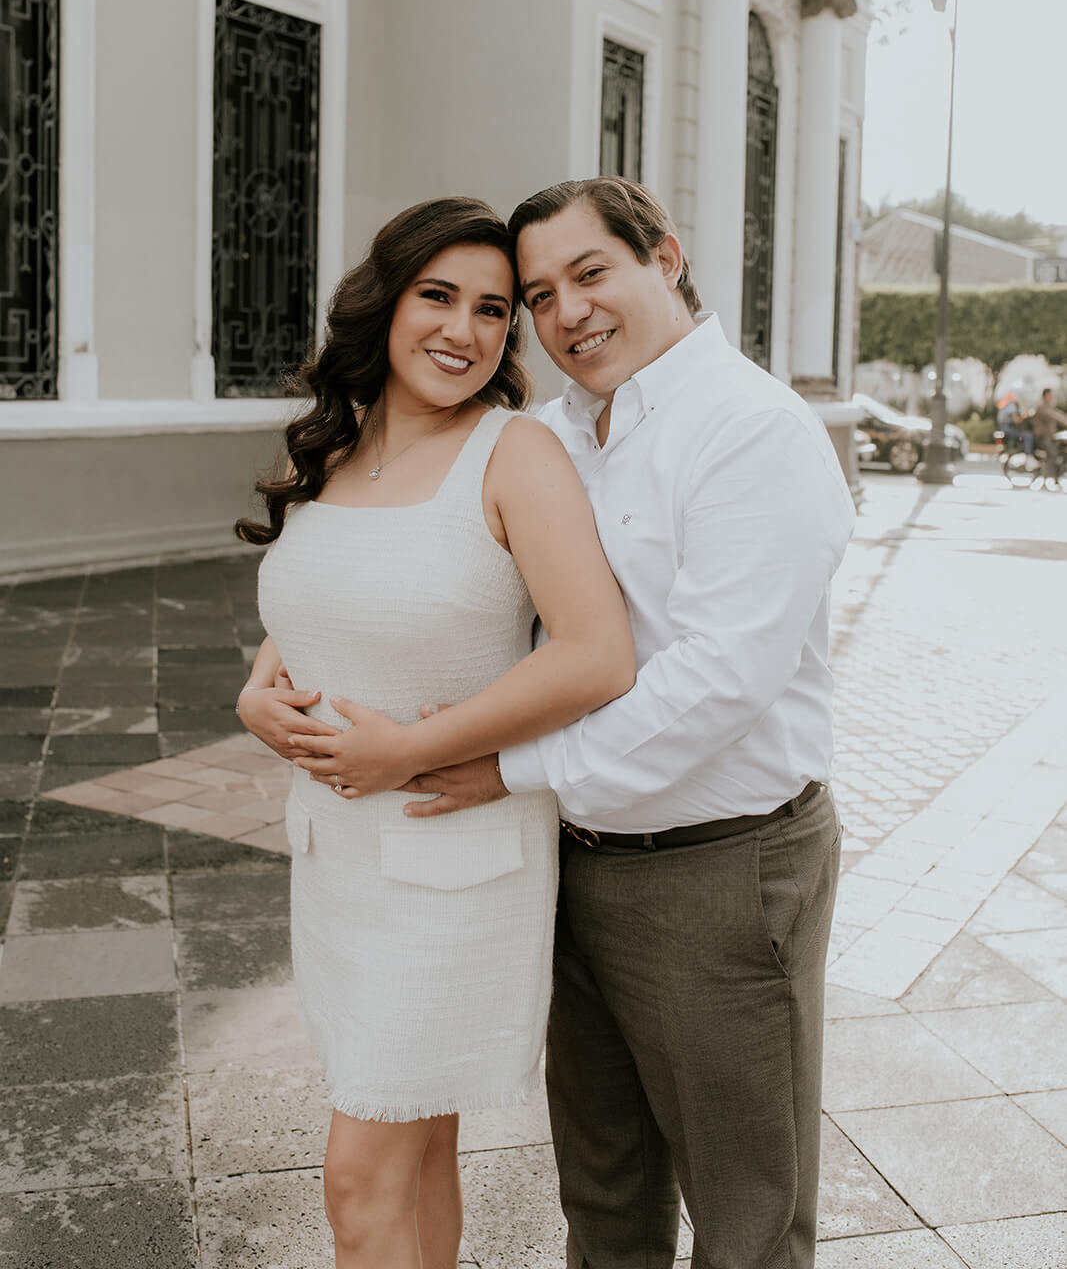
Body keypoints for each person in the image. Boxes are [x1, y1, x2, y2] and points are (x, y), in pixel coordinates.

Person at [357, 176, 856, 1269]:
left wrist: (509, 767)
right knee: (603, 1196)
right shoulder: (553, 433)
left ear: (664, 258)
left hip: (719, 871)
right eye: (539, 296)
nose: (565, 313)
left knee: (746, 1217)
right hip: (573, 862)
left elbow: (717, 680)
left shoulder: (752, 428)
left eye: (589, 274)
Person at [233, 196, 634, 1269]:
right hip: (338, 860)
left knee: (357, 1179)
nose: (463, 329)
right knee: (417, 1151)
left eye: (493, 310)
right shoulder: (335, 450)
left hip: (450, 862)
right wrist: (253, 695)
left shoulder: (514, 454)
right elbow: (323, 607)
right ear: (387, 302)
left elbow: (596, 653)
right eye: (438, 297)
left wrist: (409, 748)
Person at [1031, 387, 1067, 488]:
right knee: (1053, 454)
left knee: (1060, 450)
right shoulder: (1042, 407)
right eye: (1050, 395)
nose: (1052, 397)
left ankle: (1056, 477)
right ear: (1045, 396)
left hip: (1049, 437)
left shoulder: (1049, 407)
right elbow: (1055, 416)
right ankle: (1047, 477)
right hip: (1042, 438)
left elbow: (1060, 414)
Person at [996, 391, 1033, 457]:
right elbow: (1016, 420)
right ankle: (1028, 455)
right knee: (1028, 435)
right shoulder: (1011, 405)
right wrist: (1024, 417)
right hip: (1008, 428)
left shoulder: (1005, 404)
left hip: (1003, 428)